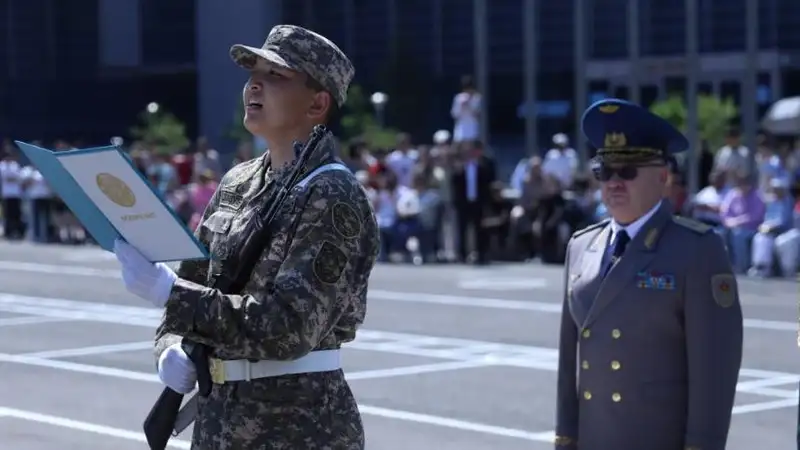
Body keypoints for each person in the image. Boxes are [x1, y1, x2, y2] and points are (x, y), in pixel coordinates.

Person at [112, 25, 379, 449]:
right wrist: (170, 347)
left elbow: (290, 327)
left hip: (299, 426)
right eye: (253, 72)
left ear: (317, 103)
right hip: (222, 420)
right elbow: (196, 279)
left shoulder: (331, 194)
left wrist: (170, 294)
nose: (254, 84)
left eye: (276, 76)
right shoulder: (238, 181)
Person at [554, 99, 743, 450]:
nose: (614, 182)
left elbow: (714, 371)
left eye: (627, 171)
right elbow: (570, 363)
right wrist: (565, 439)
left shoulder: (696, 250)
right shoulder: (582, 246)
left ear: (662, 176)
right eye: (604, 171)